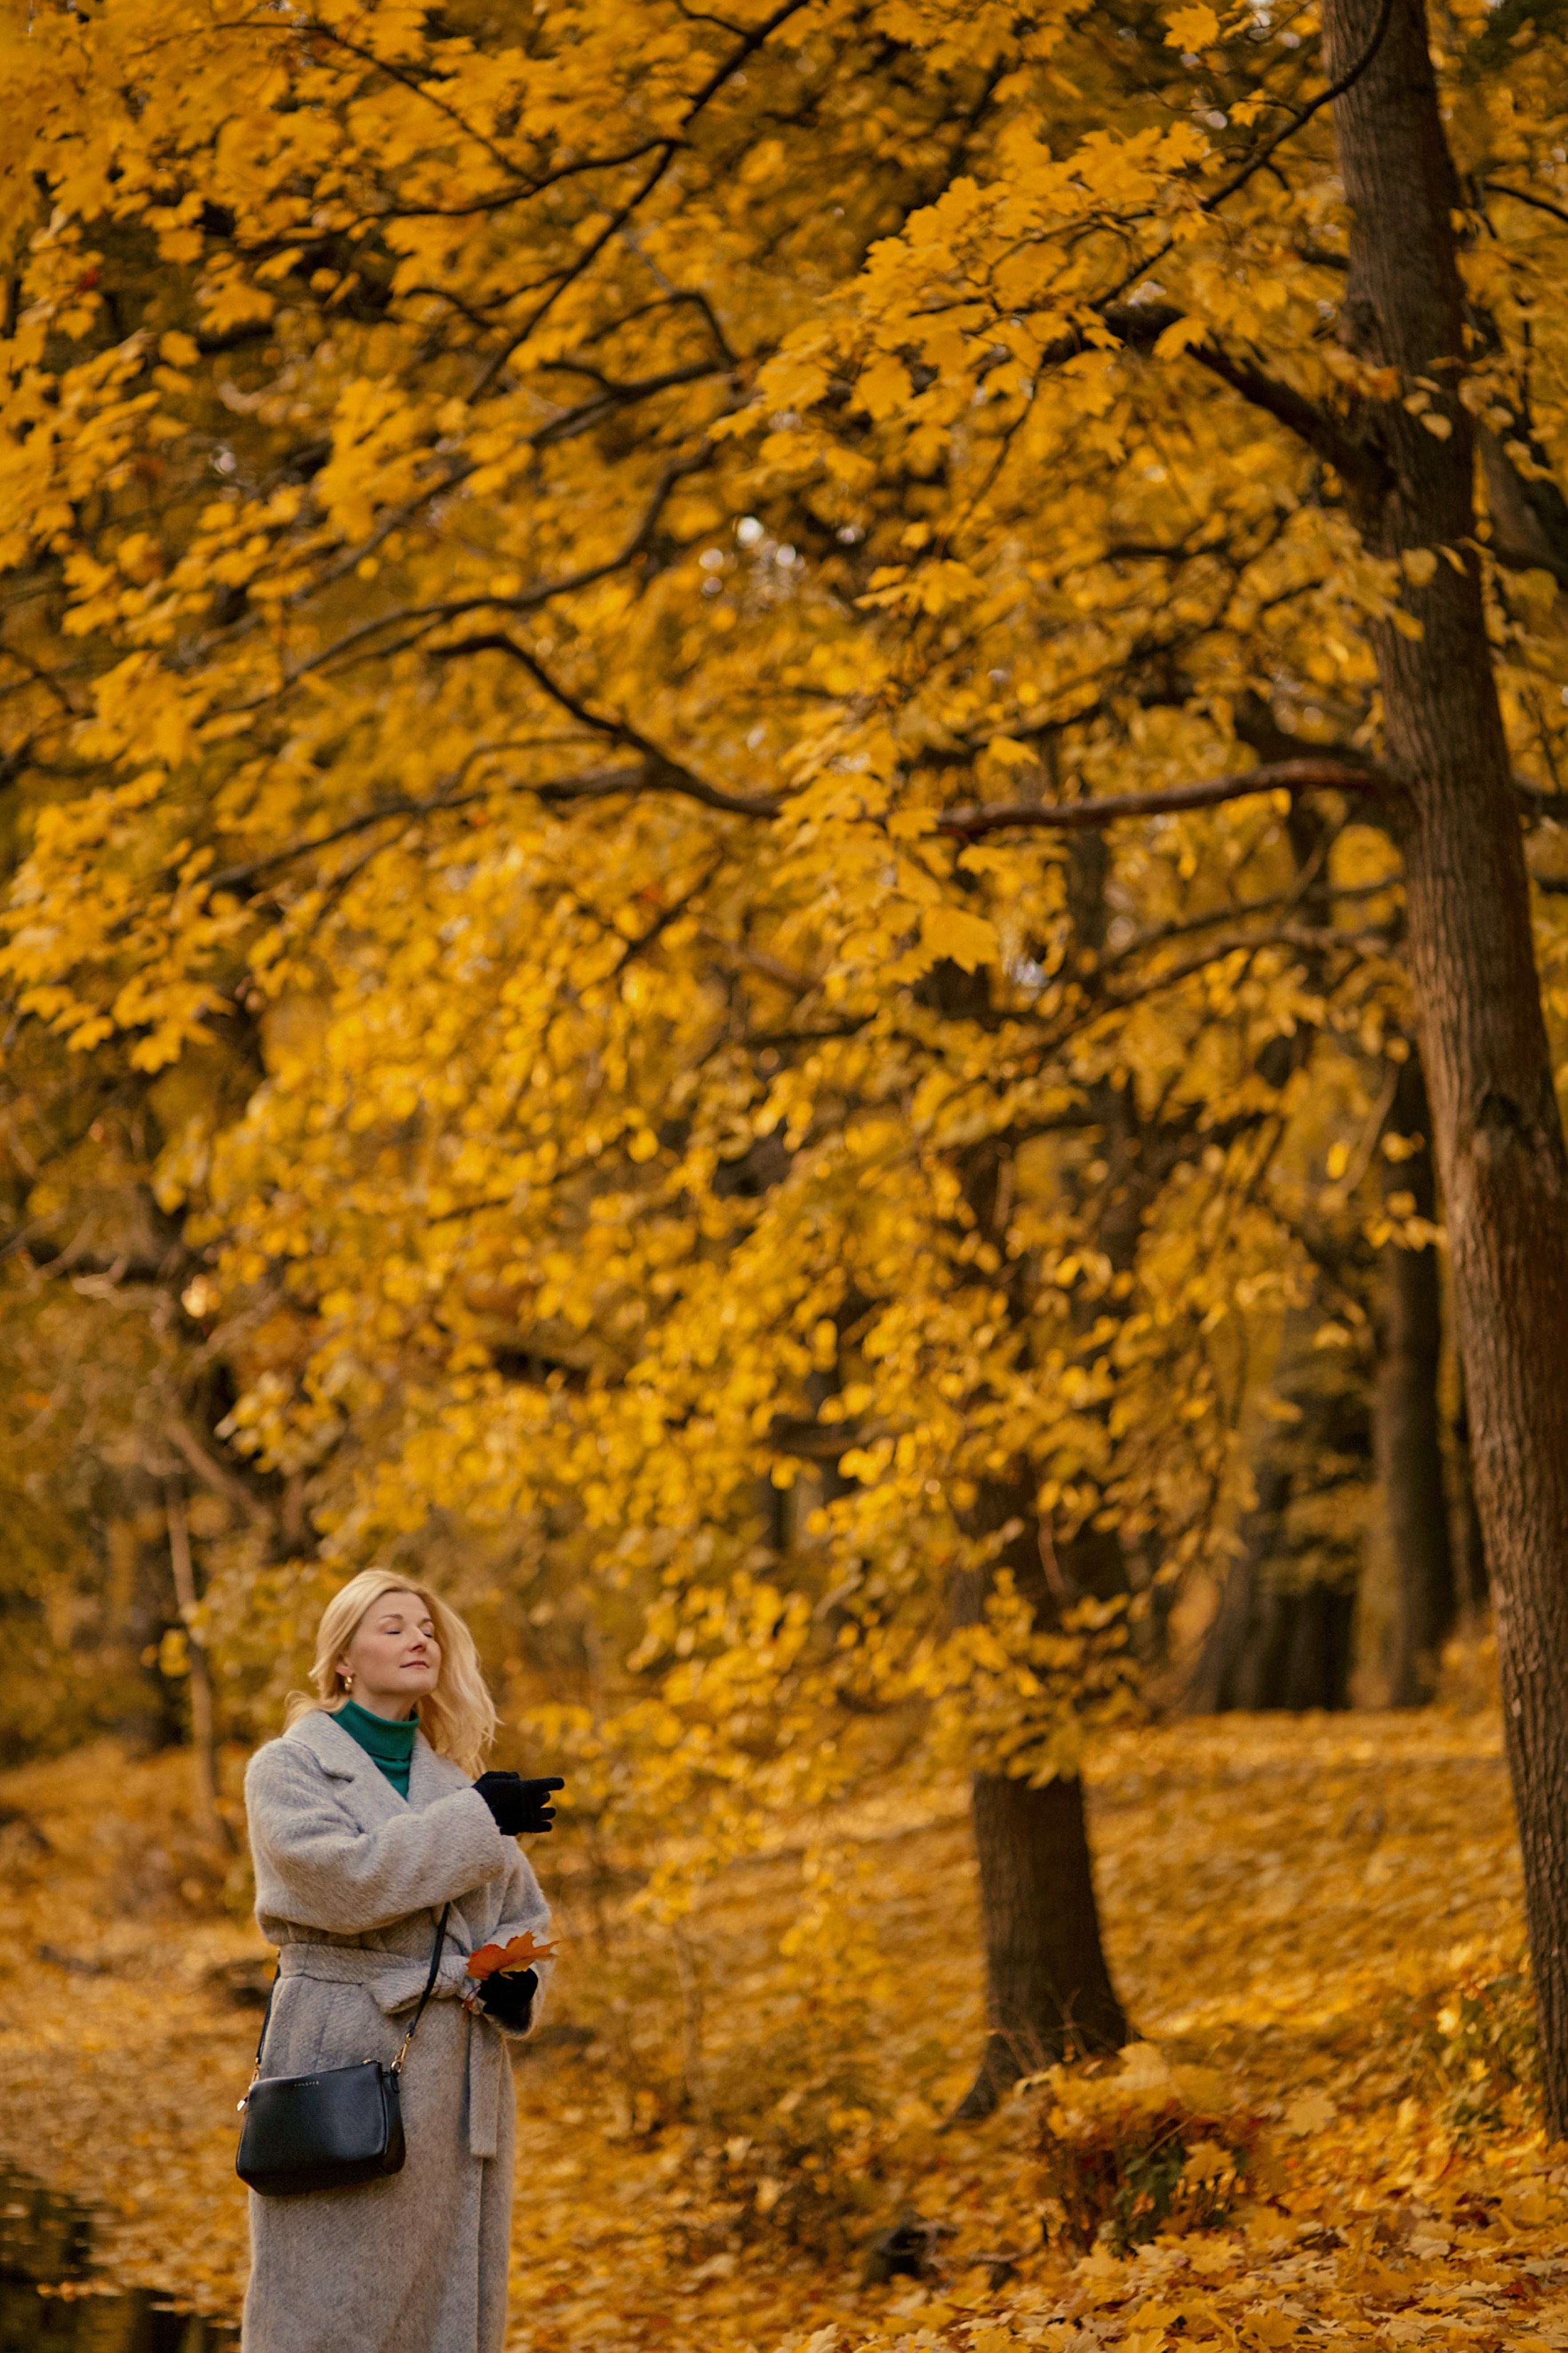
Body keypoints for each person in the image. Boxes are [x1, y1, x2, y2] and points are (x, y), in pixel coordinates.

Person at [240, 1566, 560, 2353]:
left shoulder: (456, 1784)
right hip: (339, 2058)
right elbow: (346, 1883)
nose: (420, 1638)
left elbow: (523, 1913)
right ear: (344, 1656)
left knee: (439, 2310)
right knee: (323, 2305)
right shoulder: (287, 1769)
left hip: (452, 2076)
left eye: (427, 1628)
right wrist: (478, 1821)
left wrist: (515, 1985)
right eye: (394, 1626)